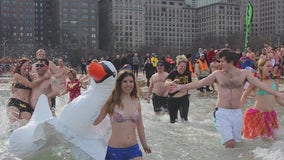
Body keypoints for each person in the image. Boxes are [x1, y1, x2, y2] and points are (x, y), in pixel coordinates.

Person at [166, 49, 284, 148]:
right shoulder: (218, 74)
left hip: (237, 113)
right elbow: (200, 83)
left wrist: (278, 94)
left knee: (238, 144)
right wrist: (179, 86)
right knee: (230, 143)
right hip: (222, 113)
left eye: (222, 61)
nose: (220, 64)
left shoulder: (244, 74)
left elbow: (260, 84)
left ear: (231, 61)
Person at [93, 70, 151, 160]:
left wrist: (144, 145)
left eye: (131, 81)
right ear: (119, 83)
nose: (129, 84)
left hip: (133, 149)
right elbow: (96, 121)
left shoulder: (136, 101)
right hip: (115, 150)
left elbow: (140, 127)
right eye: (125, 81)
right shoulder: (111, 101)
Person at [241, 58, 284, 140]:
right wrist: (238, 111)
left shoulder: (274, 82)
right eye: (268, 66)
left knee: (271, 141)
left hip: (271, 116)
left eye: (271, 66)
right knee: (259, 140)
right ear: (261, 67)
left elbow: (278, 100)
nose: (270, 68)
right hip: (258, 116)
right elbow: (244, 95)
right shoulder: (256, 81)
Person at [7, 57, 48, 129]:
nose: (27, 67)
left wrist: (46, 73)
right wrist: (44, 78)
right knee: (13, 124)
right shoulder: (17, 75)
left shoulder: (31, 77)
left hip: (26, 105)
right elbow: (31, 85)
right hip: (15, 102)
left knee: (24, 126)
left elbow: (39, 75)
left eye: (29, 65)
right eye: (25, 65)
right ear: (20, 67)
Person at [166, 55, 192, 123]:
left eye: (184, 66)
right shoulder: (173, 73)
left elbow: (190, 85)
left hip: (184, 99)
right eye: (181, 66)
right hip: (172, 99)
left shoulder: (188, 74)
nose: (183, 68)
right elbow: (166, 82)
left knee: (184, 119)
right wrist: (171, 82)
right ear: (177, 65)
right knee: (173, 121)